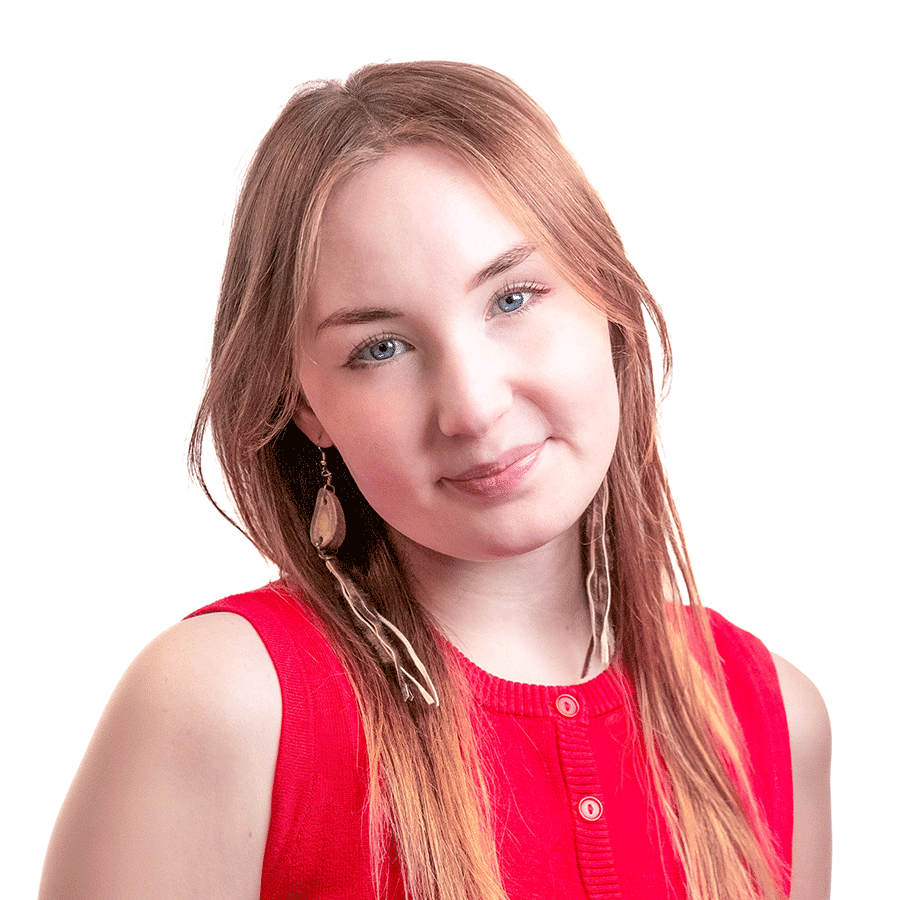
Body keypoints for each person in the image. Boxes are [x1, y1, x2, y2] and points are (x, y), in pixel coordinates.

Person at [39, 61, 831, 900]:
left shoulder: (776, 718)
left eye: (513, 298)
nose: (474, 408)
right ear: (307, 407)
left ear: (606, 292)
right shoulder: (223, 707)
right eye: (380, 347)